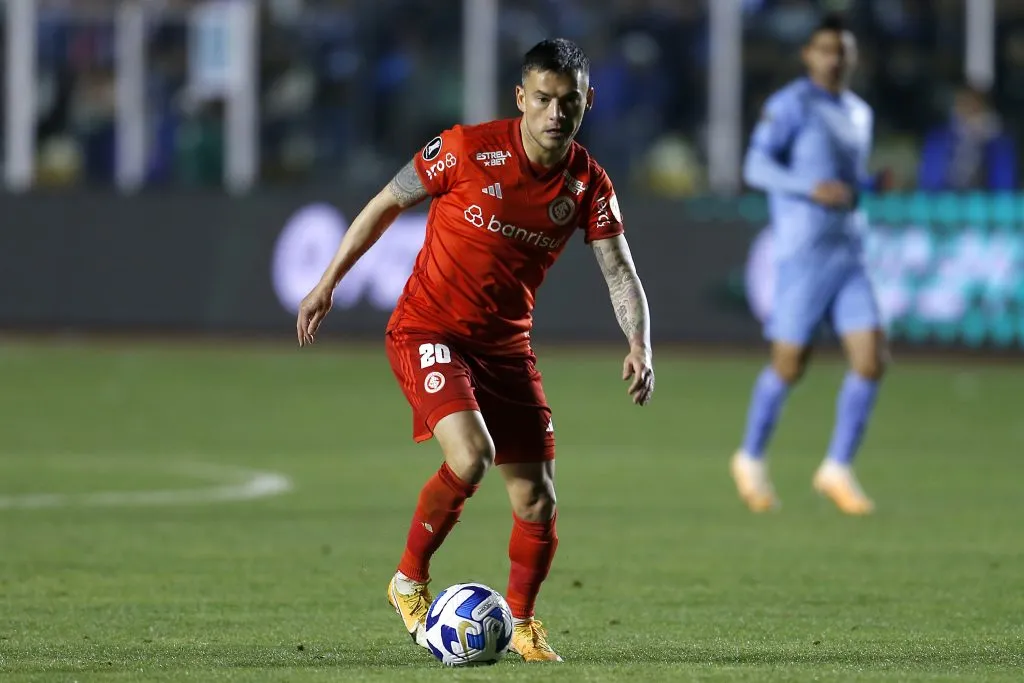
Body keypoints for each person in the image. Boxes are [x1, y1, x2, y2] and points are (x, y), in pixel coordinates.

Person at [296, 38, 654, 662]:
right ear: (521, 98)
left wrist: (639, 343)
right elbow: (386, 203)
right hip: (427, 330)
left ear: (587, 103)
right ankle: (408, 578)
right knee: (471, 455)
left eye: (567, 102)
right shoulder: (465, 148)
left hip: (506, 348)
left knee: (537, 497)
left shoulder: (589, 184)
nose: (554, 113)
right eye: (542, 99)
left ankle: (523, 623)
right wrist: (329, 282)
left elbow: (620, 271)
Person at [732, 14, 885, 516]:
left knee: (870, 359)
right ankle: (750, 458)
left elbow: (844, 178)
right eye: (825, 49)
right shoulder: (790, 105)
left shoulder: (859, 112)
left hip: (848, 251)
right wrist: (806, 187)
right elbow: (755, 166)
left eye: (842, 49)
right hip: (802, 255)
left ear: (852, 57)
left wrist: (869, 185)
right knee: (789, 365)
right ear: (808, 55)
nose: (834, 58)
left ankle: (837, 467)